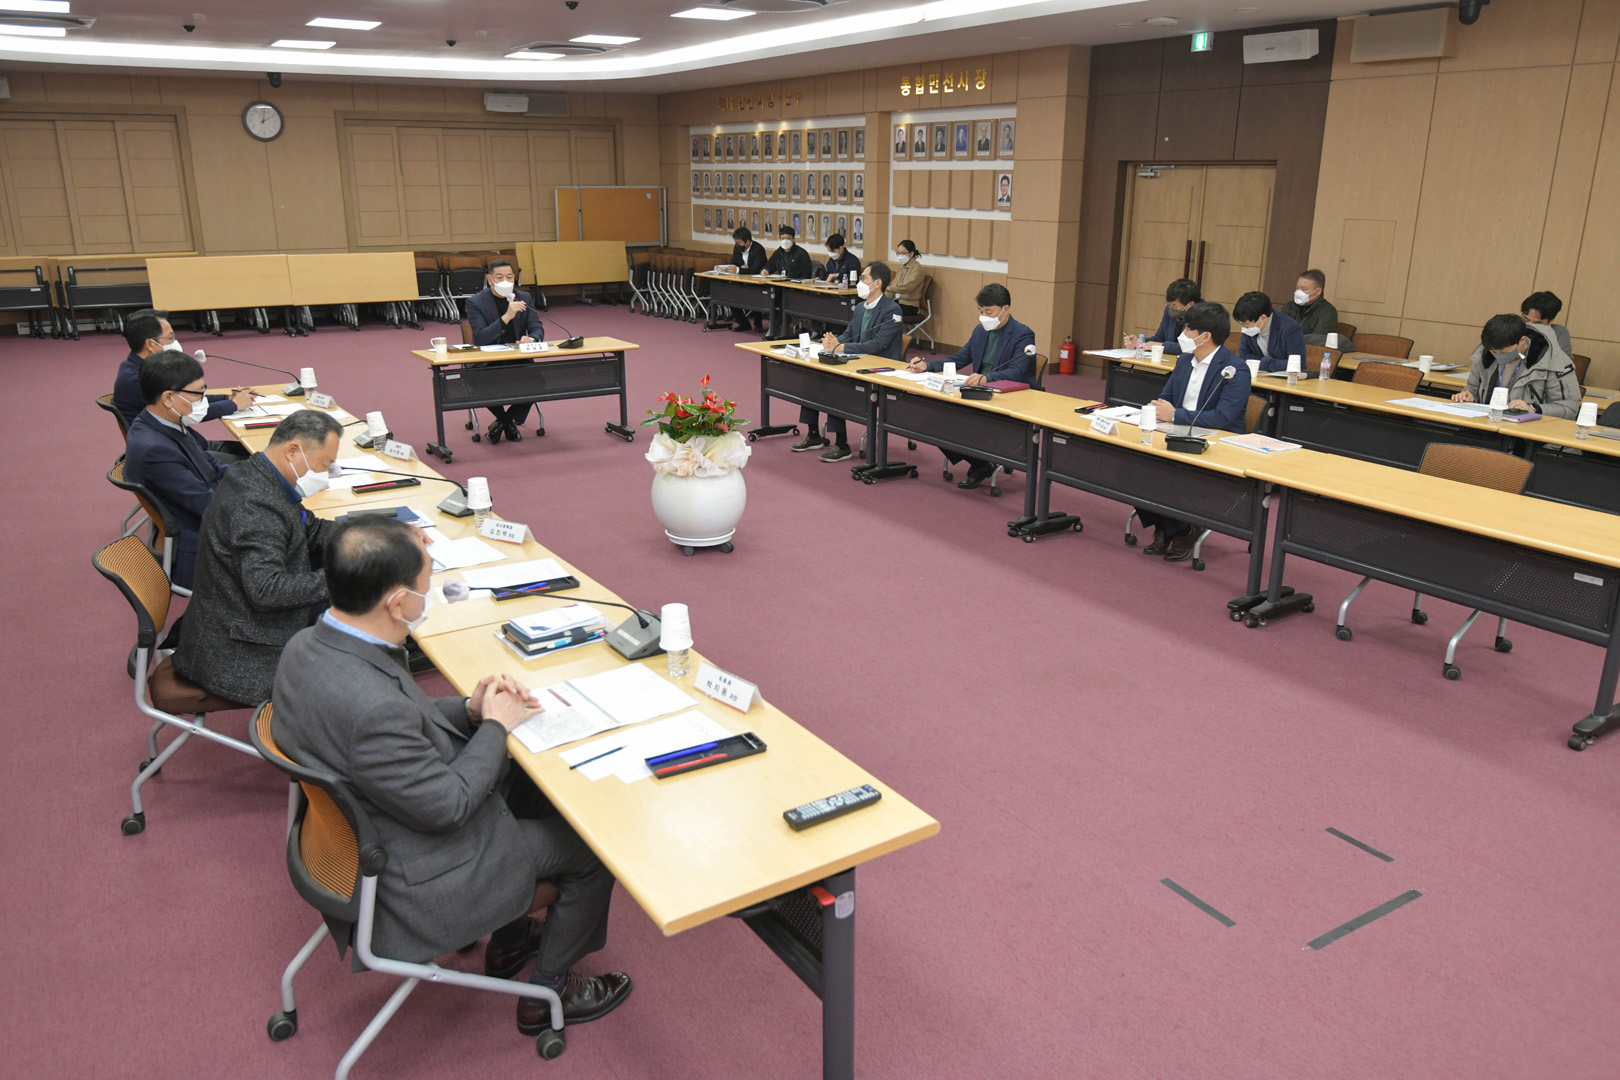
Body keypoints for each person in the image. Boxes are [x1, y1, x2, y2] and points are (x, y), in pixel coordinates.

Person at [271, 516, 631, 1037]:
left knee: (531, 784)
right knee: (595, 846)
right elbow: (449, 806)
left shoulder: (308, 645)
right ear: (397, 602)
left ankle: (510, 941)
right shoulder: (370, 707)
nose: (430, 595)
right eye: (426, 585)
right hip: (418, 873)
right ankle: (550, 992)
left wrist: (471, 710)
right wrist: (497, 727)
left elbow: (402, 718)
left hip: (372, 823)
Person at [172, 409, 345, 707]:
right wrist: (353, 577)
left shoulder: (258, 474)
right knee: (354, 677)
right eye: (324, 464)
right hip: (238, 651)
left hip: (234, 618)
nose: (326, 473)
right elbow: (267, 591)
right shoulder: (256, 505)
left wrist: (376, 535)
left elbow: (309, 527)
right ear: (293, 451)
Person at [1137, 302, 1252, 562]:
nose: (1182, 335)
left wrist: (1175, 415)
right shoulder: (1184, 361)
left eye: (1188, 329)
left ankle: (1182, 530)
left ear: (1205, 336)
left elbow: (1222, 418)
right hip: (1176, 433)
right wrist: (1159, 410)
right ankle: (1165, 524)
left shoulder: (1235, 369)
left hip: (1215, 444)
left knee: (1168, 473)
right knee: (1132, 466)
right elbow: (1166, 398)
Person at [907, 283, 1036, 489]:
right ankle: (980, 463)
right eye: (980, 311)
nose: (983, 316)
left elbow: (1017, 371)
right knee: (929, 422)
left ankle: (980, 464)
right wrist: (928, 366)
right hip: (977, 393)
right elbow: (959, 359)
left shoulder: (1023, 334)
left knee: (958, 423)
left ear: (1005, 309)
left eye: (989, 312)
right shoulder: (980, 331)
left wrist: (986, 378)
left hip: (1007, 397)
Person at [123, 350, 228, 589]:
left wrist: (262, 476)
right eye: (199, 393)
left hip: (212, 511)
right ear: (169, 398)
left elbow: (211, 464)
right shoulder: (155, 450)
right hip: (207, 544)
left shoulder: (162, 422)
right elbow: (210, 506)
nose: (203, 399)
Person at [794, 262, 904, 463]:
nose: (860, 282)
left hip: (880, 369)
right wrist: (833, 342)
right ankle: (813, 434)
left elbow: (878, 345)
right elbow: (850, 334)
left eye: (864, 278)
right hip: (857, 361)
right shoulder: (861, 307)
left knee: (835, 384)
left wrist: (842, 348)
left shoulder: (892, 311)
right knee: (812, 376)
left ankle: (842, 444)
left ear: (877, 283)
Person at [112, 308, 250, 450]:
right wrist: (234, 405)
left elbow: (189, 399)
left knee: (249, 451)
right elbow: (188, 412)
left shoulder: (141, 367)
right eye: (170, 338)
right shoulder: (139, 379)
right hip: (175, 450)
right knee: (253, 455)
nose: (175, 342)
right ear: (150, 344)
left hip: (187, 443)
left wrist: (227, 397)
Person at [465, 259, 545, 446]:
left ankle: (503, 422)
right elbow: (481, 338)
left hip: (517, 359)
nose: (505, 282)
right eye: (499, 278)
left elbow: (536, 327)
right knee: (481, 385)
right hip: (487, 362)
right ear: (490, 279)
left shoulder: (524, 297)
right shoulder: (475, 302)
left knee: (539, 383)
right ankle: (508, 423)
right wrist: (507, 317)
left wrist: (532, 339)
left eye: (509, 277)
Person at [1451, 314, 1580, 419]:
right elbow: (1472, 390)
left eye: (1503, 352)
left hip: (1529, 433)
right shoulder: (1485, 355)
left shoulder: (1553, 362)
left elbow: (1569, 409)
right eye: (1494, 352)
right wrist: (1469, 398)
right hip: (1488, 424)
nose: (1498, 356)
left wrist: (1533, 409)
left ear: (1522, 341)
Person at [1231, 291, 1305, 372]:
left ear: (1263, 318)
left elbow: (1297, 364)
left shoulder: (1290, 328)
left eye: (1246, 324)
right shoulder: (1250, 329)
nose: (1244, 327)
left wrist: (1267, 363)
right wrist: (1264, 363)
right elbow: (1244, 355)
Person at [1134, 279, 1201, 358]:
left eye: (1175, 305)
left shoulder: (1203, 315)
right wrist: (1139, 343)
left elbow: (1189, 346)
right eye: (1169, 304)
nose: (1171, 308)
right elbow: (1160, 338)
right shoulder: (1169, 310)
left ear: (1191, 304)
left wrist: (1161, 346)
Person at [1278, 269, 1340, 346]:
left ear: (1318, 291)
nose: (1298, 292)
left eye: (1304, 289)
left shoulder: (1328, 312)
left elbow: (1318, 340)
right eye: (1297, 288)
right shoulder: (1289, 306)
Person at [728, 226, 768, 333]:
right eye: (736, 242)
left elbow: (756, 269)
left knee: (754, 297)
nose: (737, 245)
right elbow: (733, 262)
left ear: (748, 242)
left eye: (739, 242)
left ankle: (758, 323)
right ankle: (743, 323)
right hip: (741, 281)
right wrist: (738, 268)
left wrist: (739, 270)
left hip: (757, 283)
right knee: (729, 296)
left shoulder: (758, 249)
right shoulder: (737, 248)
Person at [1520, 291, 1573, 357]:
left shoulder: (1558, 332)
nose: (1529, 325)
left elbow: (1565, 361)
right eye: (1526, 319)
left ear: (1550, 321)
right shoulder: (1514, 326)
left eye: (1537, 323)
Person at [890, 240, 925, 315]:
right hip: (897, 301)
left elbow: (908, 287)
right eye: (898, 253)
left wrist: (891, 288)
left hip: (909, 305)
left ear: (911, 254)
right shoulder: (901, 268)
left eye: (903, 253)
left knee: (885, 313)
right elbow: (893, 285)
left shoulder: (917, 268)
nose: (900, 256)